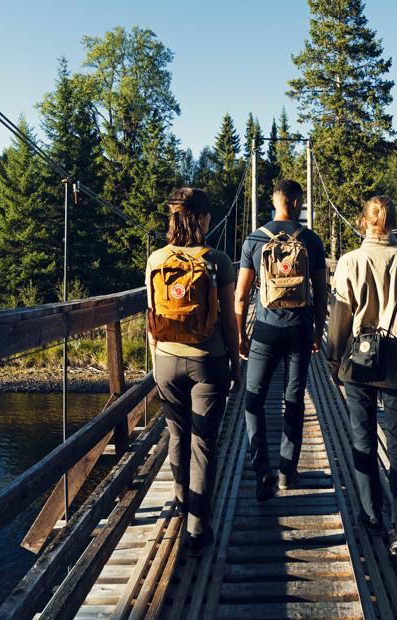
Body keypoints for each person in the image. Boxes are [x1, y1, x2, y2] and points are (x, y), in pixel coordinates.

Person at [326, 195, 397, 560]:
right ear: (393, 222)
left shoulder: (349, 262)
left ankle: (372, 516)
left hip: (359, 366)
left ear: (363, 222)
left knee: (362, 440)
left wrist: (333, 358)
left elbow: (340, 319)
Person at [146, 187, 240, 556]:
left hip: (167, 359)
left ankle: (183, 502)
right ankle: (198, 529)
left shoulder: (156, 258)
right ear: (202, 218)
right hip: (208, 360)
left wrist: (156, 359)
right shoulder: (217, 259)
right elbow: (231, 321)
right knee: (204, 443)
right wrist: (235, 361)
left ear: (172, 217)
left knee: (177, 435)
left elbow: (151, 314)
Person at [234, 179, 328, 501]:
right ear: (299, 203)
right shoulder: (312, 241)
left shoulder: (254, 240)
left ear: (274, 202)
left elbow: (241, 295)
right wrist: (317, 331)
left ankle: (262, 471)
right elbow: (322, 294)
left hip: (265, 331)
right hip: (300, 329)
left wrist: (239, 336)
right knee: (294, 400)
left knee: (253, 399)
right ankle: (287, 470)